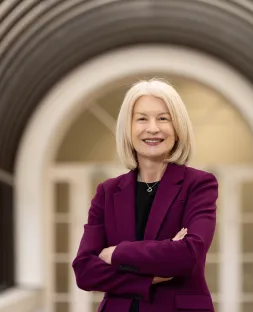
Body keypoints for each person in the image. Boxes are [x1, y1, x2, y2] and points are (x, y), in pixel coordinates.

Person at [72, 78, 219, 312]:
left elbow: (188, 256)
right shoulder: (107, 192)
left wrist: (117, 252)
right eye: (141, 118)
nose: (153, 128)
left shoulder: (199, 184)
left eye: (163, 118)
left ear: (178, 127)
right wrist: (149, 275)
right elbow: (85, 271)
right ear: (128, 128)